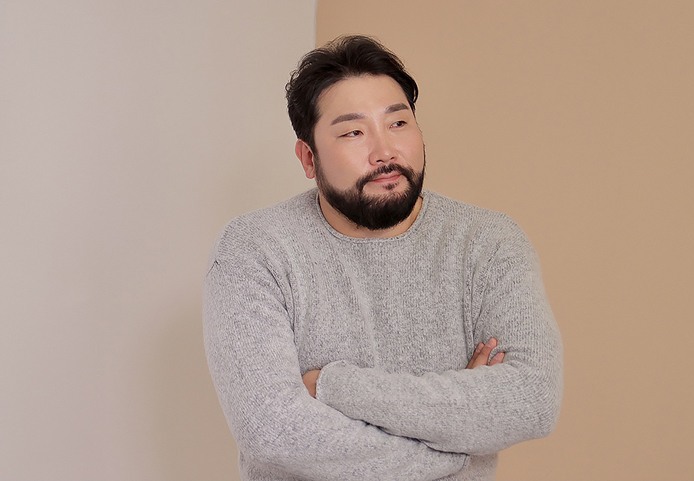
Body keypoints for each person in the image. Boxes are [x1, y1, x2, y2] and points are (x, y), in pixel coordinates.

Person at [203, 35, 563, 481]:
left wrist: (333, 386)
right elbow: (273, 431)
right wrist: (453, 446)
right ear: (309, 158)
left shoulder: (488, 242)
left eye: (398, 123)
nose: (385, 152)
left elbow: (532, 401)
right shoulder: (255, 248)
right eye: (353, 132)